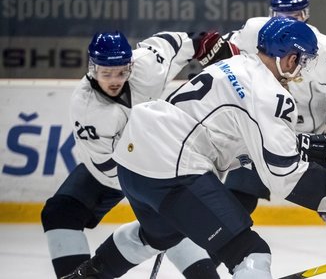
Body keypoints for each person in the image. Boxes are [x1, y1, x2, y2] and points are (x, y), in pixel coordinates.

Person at [60, 16, 326, 279]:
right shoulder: (271, 96)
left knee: (157, 235)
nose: (301, 68)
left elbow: (233, 131)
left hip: (135, 164)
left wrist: (302, 143)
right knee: (251, 255)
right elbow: (283, 175)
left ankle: (86, 275)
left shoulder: (236, 63)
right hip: (172, 169)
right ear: (287, 57)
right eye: (300, 60)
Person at [216, 0, 326, 278]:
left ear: (306, 13)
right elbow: (220, 61)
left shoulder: (325, 50)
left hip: (312, 143)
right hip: (260, 138)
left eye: (295, 14)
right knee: (231, 207)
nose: (288, 21)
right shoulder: (253, 35)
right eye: (281, 14)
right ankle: (203, 270)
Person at [41, 30, 231, 278]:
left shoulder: (147, 65)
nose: (114, 80)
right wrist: (157, 193)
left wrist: (206, 46)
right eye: (106, 73)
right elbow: (109, 170)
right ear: (92, 68)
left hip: (163, 155)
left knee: (169, 224)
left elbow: (182, 42)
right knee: (61, 213)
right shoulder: (87, 109)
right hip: (114, 171)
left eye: (121, 72)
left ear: (131, 65)